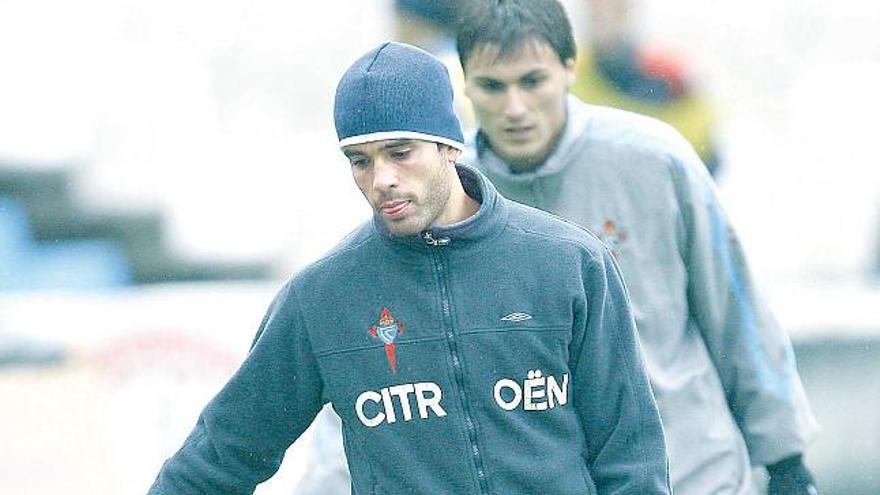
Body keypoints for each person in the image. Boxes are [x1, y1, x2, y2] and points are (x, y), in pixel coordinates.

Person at [147, 41, 671, 494]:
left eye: (401, 153)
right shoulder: (323, 297)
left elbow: (630, 455)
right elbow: (223, 454)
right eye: (361, 160)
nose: (382, 179)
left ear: (448, 144)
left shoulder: (569, 263)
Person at [457, 1, 819, 494]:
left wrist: (786, 457)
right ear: (466, 83)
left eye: (532, 81)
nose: (514, 107)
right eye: (493, 87)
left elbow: (733, 306)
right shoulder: (454, 193)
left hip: (693, 471)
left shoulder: (655, 159)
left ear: (568, 68)